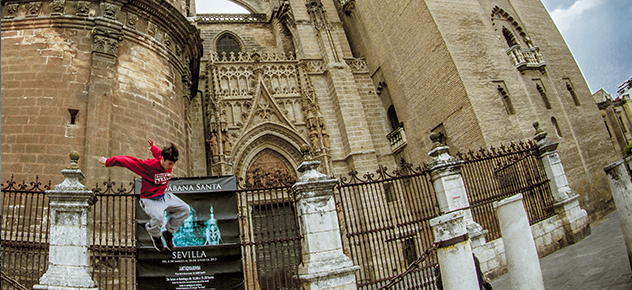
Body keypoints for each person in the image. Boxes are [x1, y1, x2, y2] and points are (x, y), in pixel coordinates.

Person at [99, 139, 190, 252]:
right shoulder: (148, 165)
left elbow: (158, 152)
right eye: (169, 164)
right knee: (158, 218)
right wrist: (108, 162)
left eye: (172, 164)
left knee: (185, 209)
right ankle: (156, 237)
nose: (171, 166)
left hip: (163, 196)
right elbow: (128, 161)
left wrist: (153, 147)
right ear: (162, 160)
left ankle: (168, 233)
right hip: (149, 199)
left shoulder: (165, 159)